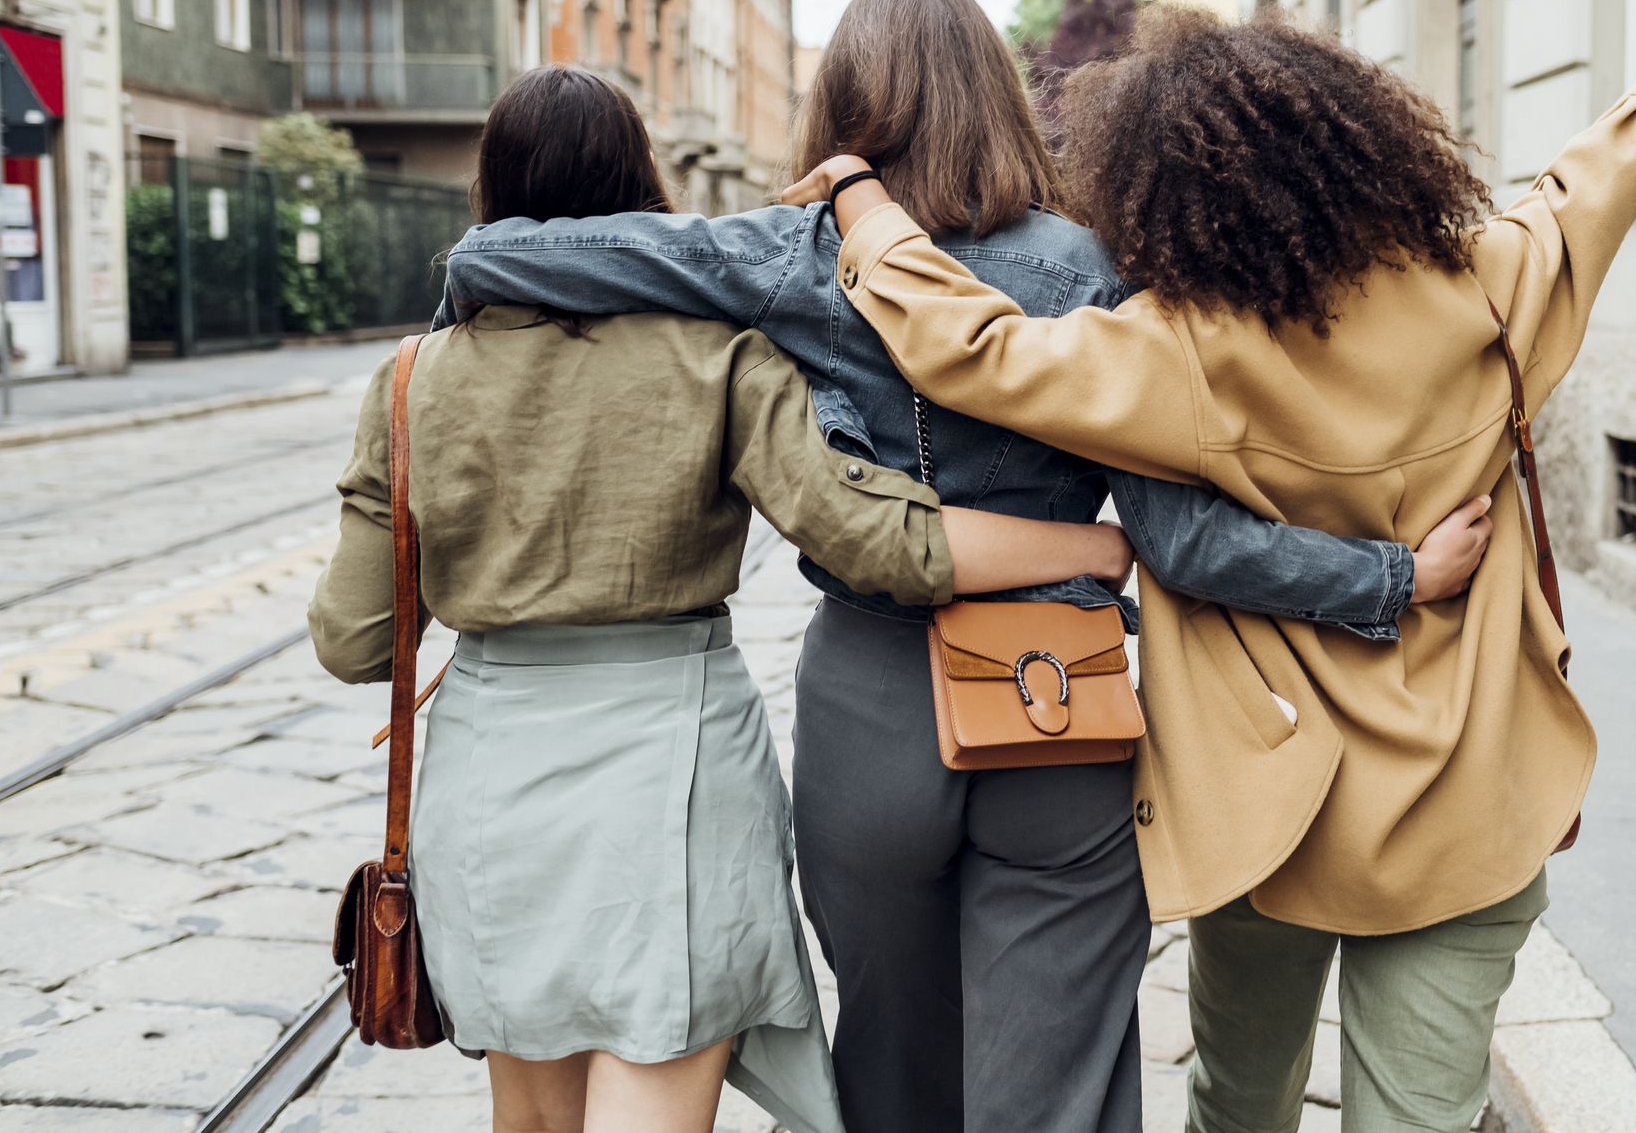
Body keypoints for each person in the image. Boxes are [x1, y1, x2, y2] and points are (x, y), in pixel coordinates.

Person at [433, 0, 1496, 1133]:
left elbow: (545, 255)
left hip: (869, 707)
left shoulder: (792, 254)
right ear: (999, 96)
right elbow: (1187, 545)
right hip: (1061, 702)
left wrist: (472, 268)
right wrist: (1392, 577)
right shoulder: (1097, 272)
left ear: (841, 108)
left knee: (891, 1060)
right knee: (1059, 1077)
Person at [785, 0, 1636, 1132]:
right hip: (1469, 800)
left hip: (1273, 812)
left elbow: (975, 349)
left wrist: (868, 211)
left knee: (1239, 1100)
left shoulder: (1180, 350)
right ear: (1370, 148)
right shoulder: (1493, 292)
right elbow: (1587, 195)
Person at [308, 65, 1156, 1133]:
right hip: (674, 771)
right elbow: (866, 533)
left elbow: (352, 639)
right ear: (642, 189)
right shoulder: (716, 354)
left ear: (490, 189)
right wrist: (1088, 543)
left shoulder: (411, 378)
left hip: (493, 786)